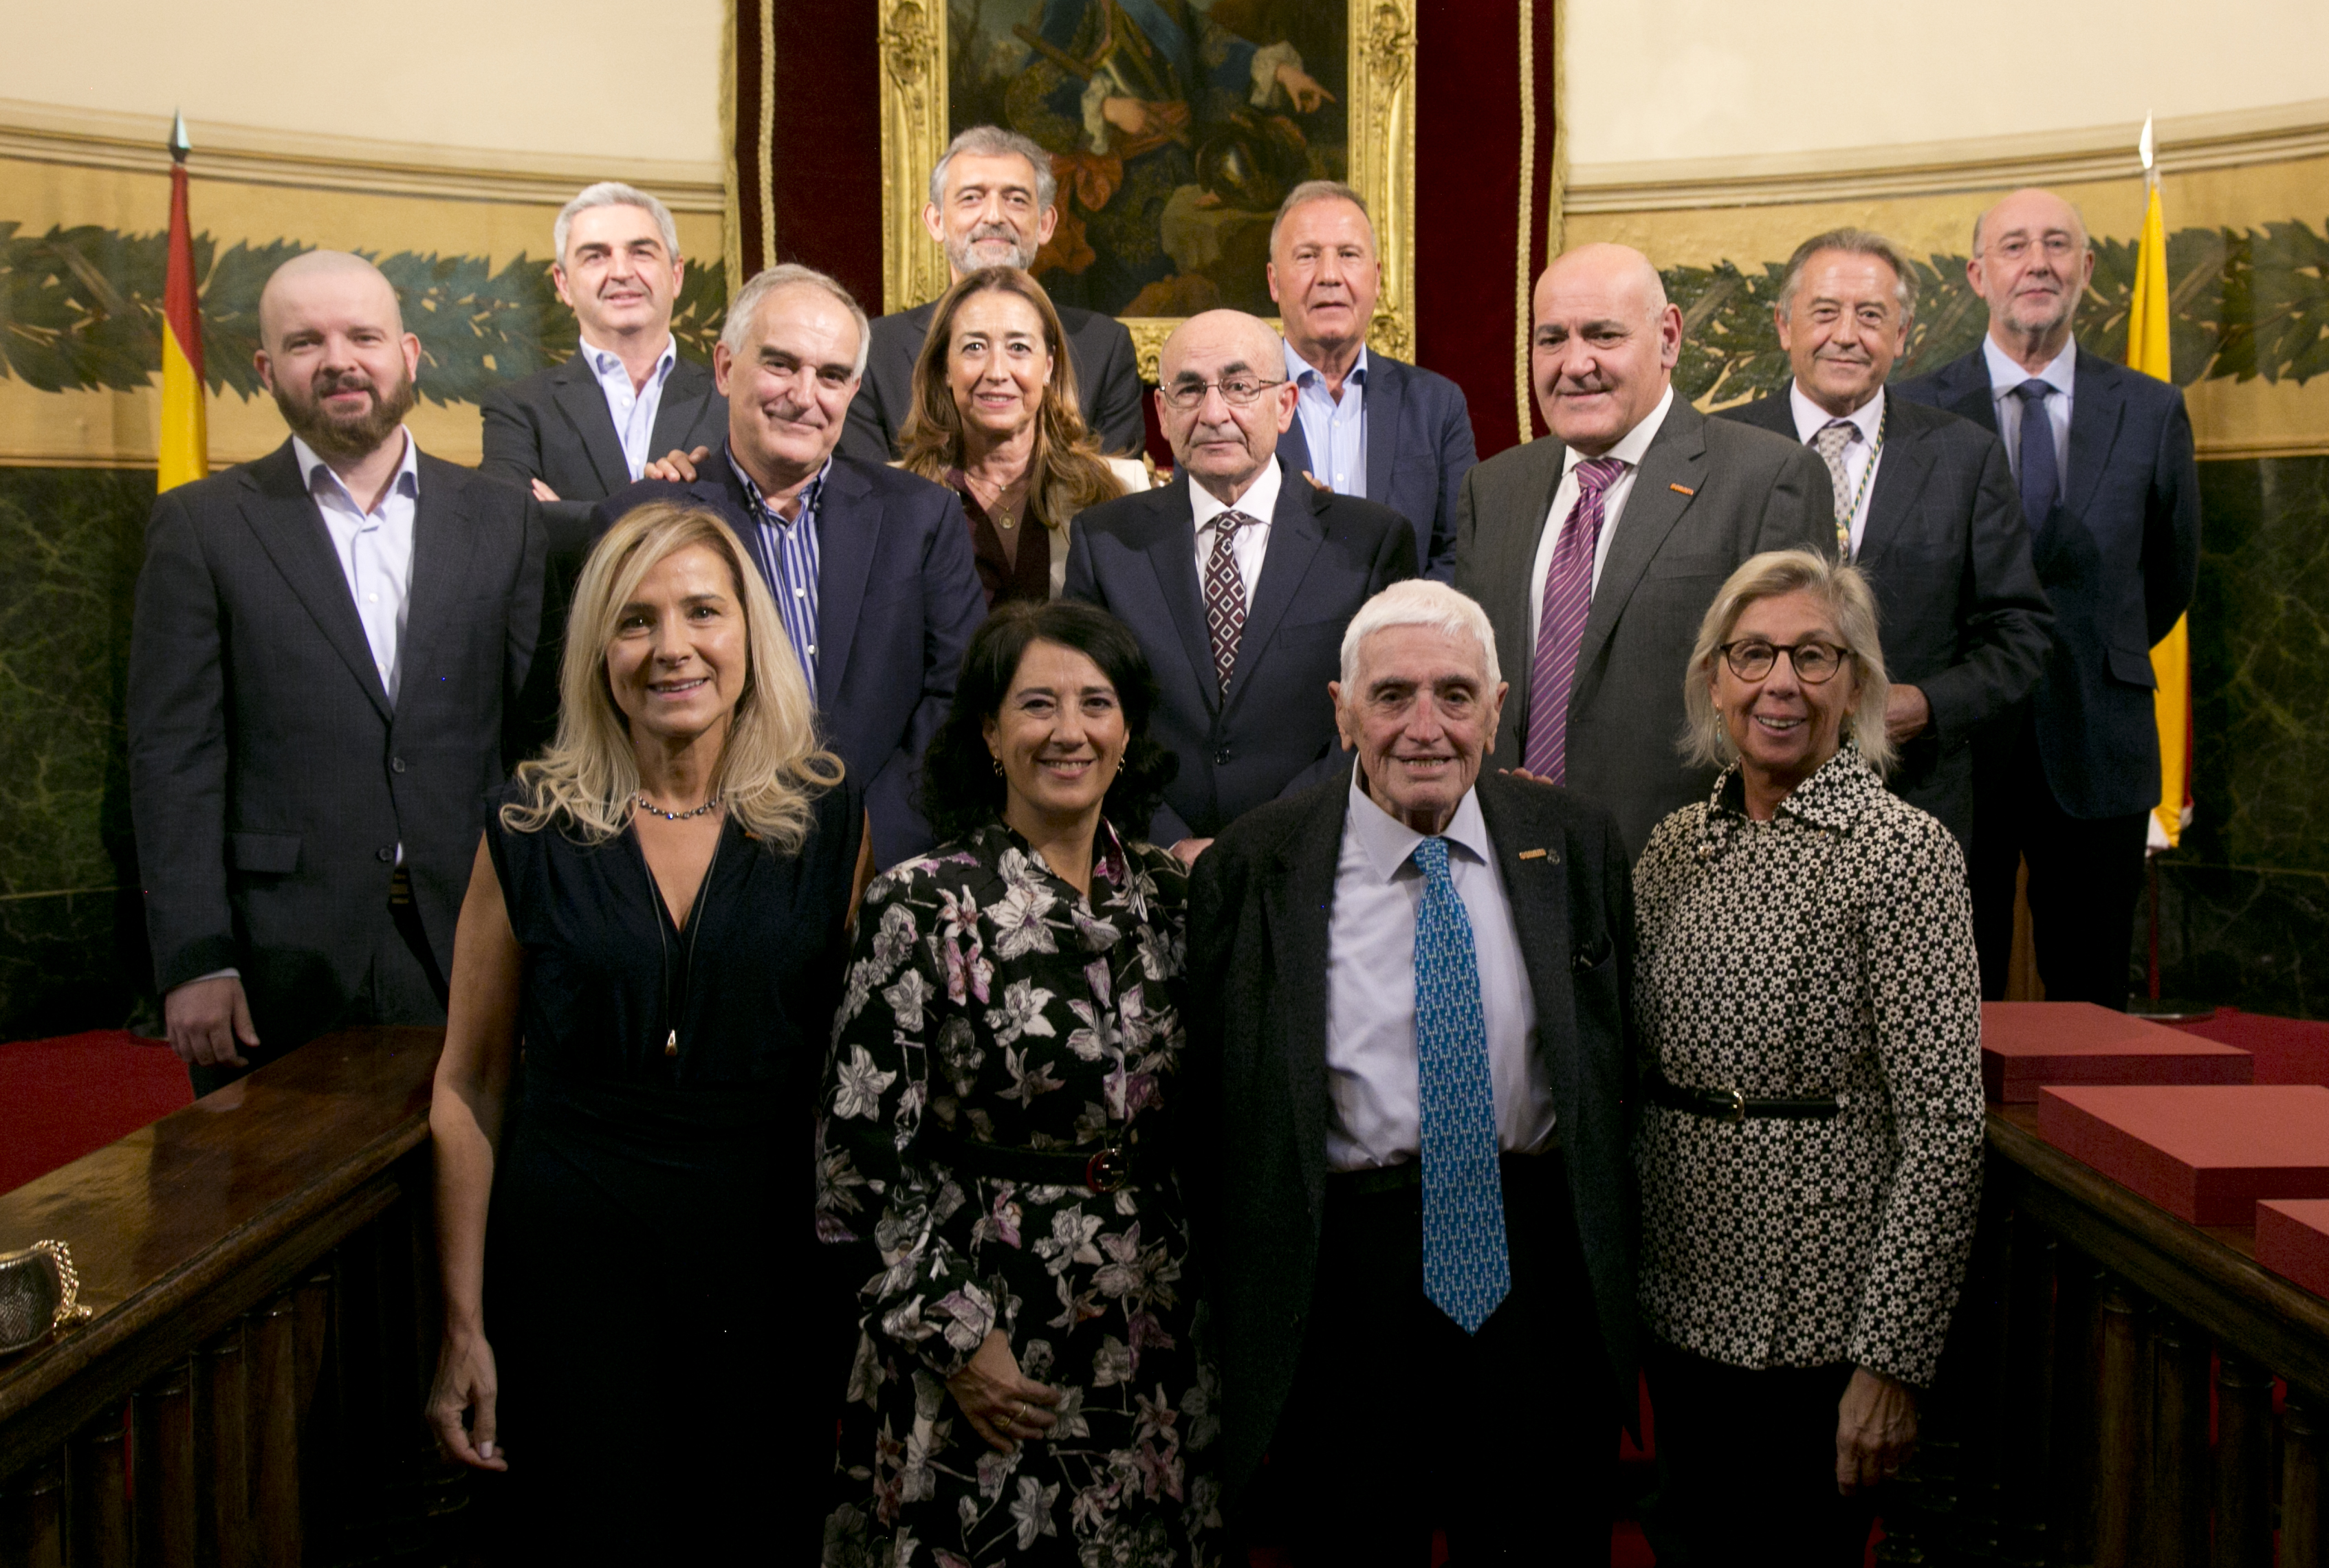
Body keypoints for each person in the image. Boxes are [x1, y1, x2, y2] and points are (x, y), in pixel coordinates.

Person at [426, 503, 867, 1558]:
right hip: (575, 1261)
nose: (672, 647)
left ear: (749, 636)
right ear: (597, 652)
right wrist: (462, 1323)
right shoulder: (528, 825)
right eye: (635, 621)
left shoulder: (827, 820)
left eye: (702, 613)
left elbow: (847, 1084)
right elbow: (469, 1087)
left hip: (765, 1257)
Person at [1182, 579, 1639, 1563]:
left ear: (1498, 708)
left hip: (1535, 1277)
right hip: (1342, 1280)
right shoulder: (1254, 866)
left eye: (1453, 695)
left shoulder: (1575, 843)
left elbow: (1614, 1069)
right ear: (1341, 712)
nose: (1423, 727)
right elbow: (1211, 1106)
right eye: (1391, 696)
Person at [816, 599, 1221, 1564]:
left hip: (1152, 1319)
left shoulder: (1170, 899)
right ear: (990, 732)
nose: (1069, 730)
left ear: (1128, 730)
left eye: (1096, 702)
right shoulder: (918, 903)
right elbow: (859, 1164)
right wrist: (957, 1340)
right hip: (985, 1324)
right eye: (1037, 704)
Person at [1632, 549, 1984, 1562]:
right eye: (1751, 654)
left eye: (1812, 656)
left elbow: (1944, 1128)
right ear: (1713, 679)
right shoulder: (1671, 846)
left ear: (1856, 687)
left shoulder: (1901, 852)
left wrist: (1890, 1361)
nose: (1778, 682)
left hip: (1818, 1321)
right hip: (1678, 1296)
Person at [129, 250, 544, 1094]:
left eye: (363, 335)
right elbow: (174, 759)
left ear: (411, 354)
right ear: (266, 369)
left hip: (470, 936)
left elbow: (538, 740)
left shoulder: (503, 517)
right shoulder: (202, 526)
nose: (340, 360)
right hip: (276, 958)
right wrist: (195, 956)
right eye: (306, 342)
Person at [1896, 187, 2200, 1007]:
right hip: (1955, 746)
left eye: (2059, 245)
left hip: (2101, 738)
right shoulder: (1915, 409)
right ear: (1977, 273)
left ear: (2088, 269)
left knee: (2093, 993)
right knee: (1953, 994)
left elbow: (2168, 578)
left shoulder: (2152, 409)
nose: (2039, 263)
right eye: (2016, 246)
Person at [594, 263, 987, 868]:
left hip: (885, 862)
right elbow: (607, 708)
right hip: (702, 863)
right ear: (726, 369)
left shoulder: (922, 516)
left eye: (832, 375)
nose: (805, 396)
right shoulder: (644, 519)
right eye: (781, 364)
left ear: (853, 392)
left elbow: (957, 695)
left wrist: (870, 835)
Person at [1453, 243, 1834, 858]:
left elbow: (1797, 710)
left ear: (1668, 337)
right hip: (1510, 867)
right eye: (1551, 340)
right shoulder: (1492, 488)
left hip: (1693, 876)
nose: (1575, 364)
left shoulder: (1768, 477)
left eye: (1603, 335)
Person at [1716, 228, 2053, 849]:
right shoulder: (1719, 448)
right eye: (1824, 312)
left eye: (1870, 315)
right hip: (1750, 802)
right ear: (1784, 326)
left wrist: (1927, 704)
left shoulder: (1965, 456)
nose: (1846, 334)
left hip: (1914, 804)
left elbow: (2020, 633)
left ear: (1901, 337)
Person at [1064, 309, 1415, 861]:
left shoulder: (1369, 542)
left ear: (1284, 406)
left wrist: (1267, 842)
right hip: (1149, 869)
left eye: (1239, 386)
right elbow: (1084, 712)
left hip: (1316, 859)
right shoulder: (1105, 541)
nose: (1213, 412)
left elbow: (1381, 715)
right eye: (1188, 390)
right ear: (1160, 412)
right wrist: (1168, 842)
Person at [842, 126, 1146, 464]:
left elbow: (1115, 500)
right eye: (971, 197)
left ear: (1045, 224)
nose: (994, 216)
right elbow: (866, 497)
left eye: (1015, 200)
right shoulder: (875, 349)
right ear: (936, 221)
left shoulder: (1104, 346)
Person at [477, 182, 725, 534]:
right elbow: (509, 526)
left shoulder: (729, 398)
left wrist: (567, 517)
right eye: (596, 256)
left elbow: (744, 522)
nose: (621, 272)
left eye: (641, 252)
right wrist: (675, 515)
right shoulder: (518, 409)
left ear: (676, 275)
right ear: (563, 284)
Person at [896, 265, 1150, 606]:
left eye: (1018, 347)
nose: (997, 372)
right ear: (944, 368)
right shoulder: (895, 500)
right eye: (974, 347)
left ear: (1048, 366)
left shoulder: (1118, 491)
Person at [1268, 180, 1476, 582]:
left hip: (1407, 637)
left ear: (1377, 278)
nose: (1329, 275)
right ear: (1275, 281)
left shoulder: (1437, 405)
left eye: (1348, 255)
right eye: (1307, 256)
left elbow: (1461, 549)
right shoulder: (1235, 405)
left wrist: (1401, 634)